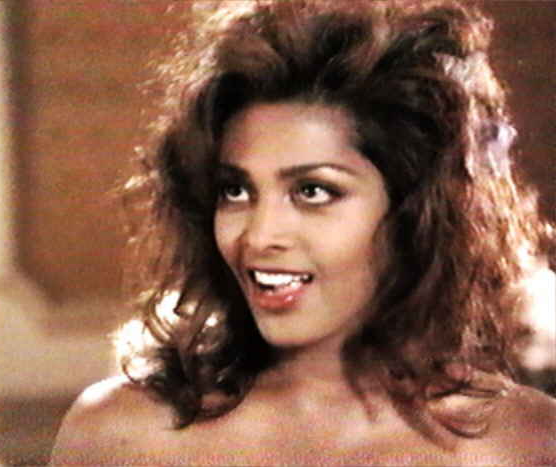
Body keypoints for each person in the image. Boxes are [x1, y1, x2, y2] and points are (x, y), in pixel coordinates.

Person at [51, 0, 556, 465]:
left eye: (313, 191)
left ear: (416, 210)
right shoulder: (118, 435)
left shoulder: (521, 443)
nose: (259, 236)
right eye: (235, 191)